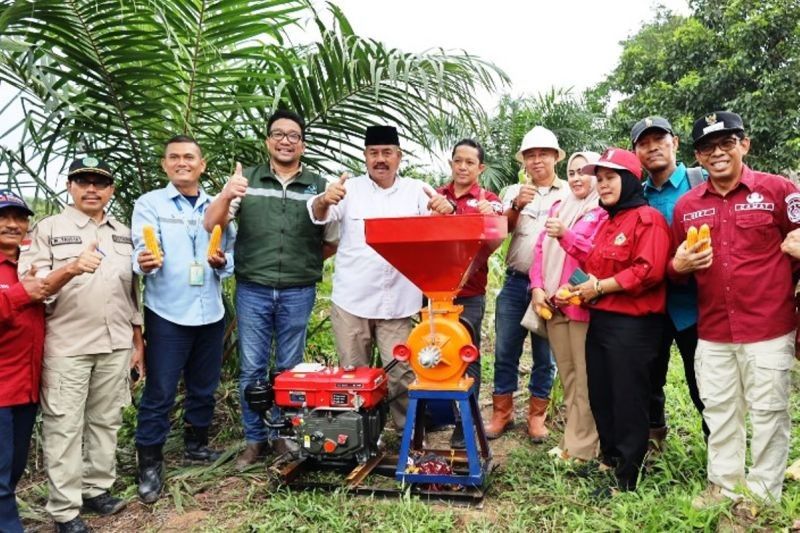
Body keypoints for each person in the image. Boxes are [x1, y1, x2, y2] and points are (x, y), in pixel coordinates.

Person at [668, 112, 799, 507]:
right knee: (720, 411)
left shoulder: (779, 191)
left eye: (727, 142)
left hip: (770, 327)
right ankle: (723, 487)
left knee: (769, 413)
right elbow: (676, 269)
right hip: (714, 329)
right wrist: (678, 266)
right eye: (708, 147)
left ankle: (762, 497)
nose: (718, 153)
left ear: (745, 144)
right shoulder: (687, 205)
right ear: (698, 157)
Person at [204, 110, 339, 468]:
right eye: (278, 134)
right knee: (252, 368)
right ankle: (254, 440)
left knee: (289, 369)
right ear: (268, 141)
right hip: (253, 288)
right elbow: (211, 223)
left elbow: (330, 240)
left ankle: (282, 435)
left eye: (293, 135)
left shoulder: (317, 185)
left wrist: (303, 261)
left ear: (302, 144)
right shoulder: (245, 180)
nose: (285, 140)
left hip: (298, 290)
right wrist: (226, 194)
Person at [20, 158, 144, 533]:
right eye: (84, 181)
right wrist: (71, 267)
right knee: (65, 427)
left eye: (100, 183)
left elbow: (131, 292)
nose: (92, 188)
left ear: (111, 191)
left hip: (117, 342)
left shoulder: (123, 232)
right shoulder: (49, 229)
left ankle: (97, 489)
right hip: (67, 344)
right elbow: (31, 285)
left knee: (106, 421)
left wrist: (138, 341)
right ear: (70, 186)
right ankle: (64, 510)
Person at [308, 125, 454, 429]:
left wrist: (446, 208)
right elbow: (318, 213)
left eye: (387, 152)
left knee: (401, 372)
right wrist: (324, 198)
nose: (380, 159)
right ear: (365, 157)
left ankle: (408, 433)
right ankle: (359, 434)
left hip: (398, 302)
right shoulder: (349, 190)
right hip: (352, 301)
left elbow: (440, 223)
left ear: (399, 156)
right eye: (374, 153)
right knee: (353, 375)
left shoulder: (416, 189)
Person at [131, 136, 236, 503]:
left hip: (209, 310)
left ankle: (197, 444)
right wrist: (145, 261)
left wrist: (222, 263)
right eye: (173, 157)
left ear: (201, 165)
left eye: (188, 157)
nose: (181, 163)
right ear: (164, 165)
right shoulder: (150, 205)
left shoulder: (218, 205)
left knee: (203, 385)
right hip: (167, 312)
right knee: (159, 391)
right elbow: (140, 252)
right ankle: (149, 462)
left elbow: (230, 253)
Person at [558, 147, 669, 492]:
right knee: (601, 394)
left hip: (633, 327)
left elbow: (647, 271)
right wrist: (573, 288)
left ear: (629, 180)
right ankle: (610, 459)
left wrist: (598, 287)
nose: (603, 185)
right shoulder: (608, 221)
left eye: (611, 178)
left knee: (627, 397)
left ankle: (628, 475)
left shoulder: (647, 219)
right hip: (601, 320)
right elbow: (592, 267)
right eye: (600, 179)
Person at [485, 126, 567, 443]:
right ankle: (501, 413)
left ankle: (536, 417)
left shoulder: (569, 192)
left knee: (544, 356)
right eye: (530, 155)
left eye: (543, 154)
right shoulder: (512, 193)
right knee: (506, 350)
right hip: (516, 282)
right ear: (524, 161)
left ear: (555, 158)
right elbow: (498, 232)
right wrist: (517, 205)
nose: (536, 161)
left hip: (551, 287)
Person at [632, 116, 708, 447]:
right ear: (635, 153)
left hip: (698, 304)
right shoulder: (634, 195)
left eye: (659, 140)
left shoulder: (701, 181)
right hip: (654, 305)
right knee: (649, 377)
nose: (652, 148)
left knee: (704, 381)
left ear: (675, 143)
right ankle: (654, 440)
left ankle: (717, 449)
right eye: (644, 143)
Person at [529, 151, 605, 462]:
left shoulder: (603, 211)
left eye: (583, 172)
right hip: (552, 305)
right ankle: (573, 441)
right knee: (569, 376)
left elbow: (596, 256)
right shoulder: (560, 207)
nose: (575, 178)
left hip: (581, 307)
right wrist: (536, 288)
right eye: (572, 172)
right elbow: (538, 250)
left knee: (586, 378)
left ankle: (584, 448)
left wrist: (567, 234)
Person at [434, 138, 503, 448]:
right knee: (435, 354)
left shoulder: (489, 201)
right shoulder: (434, 196)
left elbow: (497, 231)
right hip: (435, 292)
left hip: (470, 293)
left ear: (480, 167)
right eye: (457, 161)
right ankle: (438, 415)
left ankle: (465, 424)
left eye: (469, 162)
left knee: (467, 355)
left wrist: (483, 215)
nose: (462, 167)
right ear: (451, 163)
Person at [0, 191, 46, 533]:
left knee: (14, 466)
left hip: (27, 385)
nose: (12, 225)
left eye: (19, 218)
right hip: (1, 386)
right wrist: (21, 293)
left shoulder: (34, 260)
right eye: (3, 217)